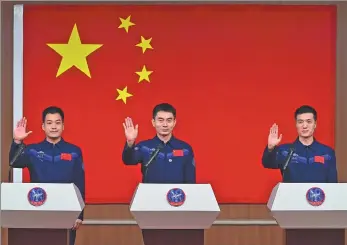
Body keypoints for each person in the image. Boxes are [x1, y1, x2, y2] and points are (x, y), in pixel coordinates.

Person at [9, 106, 85, 245]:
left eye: (57, 122)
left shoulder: (74, 151)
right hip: (38, 208)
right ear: (43, 126)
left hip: (66, 209)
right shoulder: (33, 150)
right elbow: (14, 162)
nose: (54, 127)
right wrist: (17, 142)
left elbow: (79, 183)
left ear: (63, 125)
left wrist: (79, 215)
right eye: (49, 123)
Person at [122, 103, 196, 183]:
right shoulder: (144, 147)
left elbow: (190, 181)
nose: (165, 125)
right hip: (150, 194)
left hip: (175, 195)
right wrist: (130, 142)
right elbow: (128, 161)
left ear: (174, 122)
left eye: (169, 120)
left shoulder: (185, 149)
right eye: (160, 120)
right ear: (153, 122)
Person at [262, 105, 337, 183]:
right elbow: (267, 163)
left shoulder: (327, 152)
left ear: (315, 124)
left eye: (309, 121)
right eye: (300, 122)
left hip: (318, 195)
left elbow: (333, 184)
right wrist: (270, 148)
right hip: (292, 195)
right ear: (296, 124)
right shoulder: (285, 151)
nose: (304, 126)